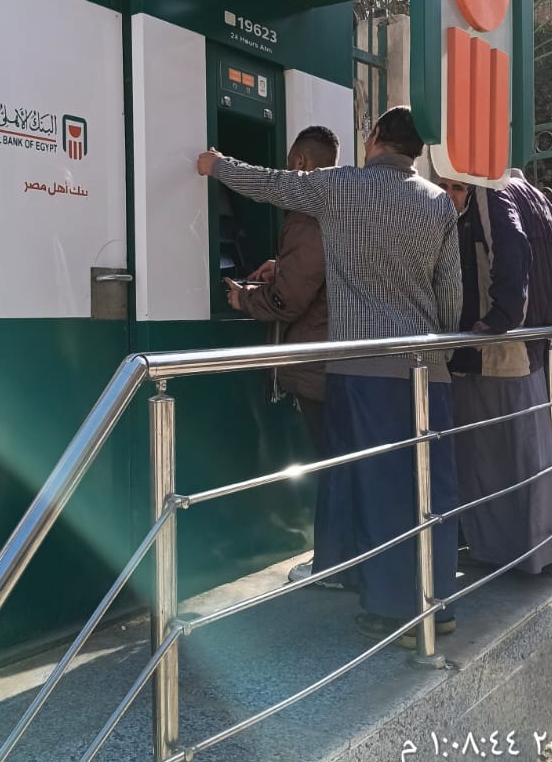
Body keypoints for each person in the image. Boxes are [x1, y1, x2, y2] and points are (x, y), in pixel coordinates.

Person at [198, 107, 462, 648]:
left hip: (362, 370)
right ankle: (438, 604)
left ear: (375, 138)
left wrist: (216, 165)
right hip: (427, 372)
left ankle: (394, 612)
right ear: (417, 150)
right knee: (426, 487)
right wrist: (438, 352)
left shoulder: (341, 186)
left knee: (376, 488)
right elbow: (451, 295)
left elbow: (271, 184)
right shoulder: (438, 202)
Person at [438, 172, 552, 576]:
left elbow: (511, 247)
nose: (450, 195)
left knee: (489, 459)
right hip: (530, 352)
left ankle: (503, 555)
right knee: (528, 457)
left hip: (494, 355)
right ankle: (538, 553)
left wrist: (502, 318)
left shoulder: (491, 193)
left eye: (456, 187)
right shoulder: (539, 199)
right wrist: (540, 321)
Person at [223, 126, 340, 586]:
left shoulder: (307, 213)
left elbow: (288, 300)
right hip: (336, 354)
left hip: (316, 360)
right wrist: (282, 266)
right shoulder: (340, 201)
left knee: (330, 463)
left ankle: (333, 562)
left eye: (290, 165)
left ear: (301, 164)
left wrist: (245, 298)